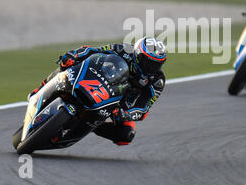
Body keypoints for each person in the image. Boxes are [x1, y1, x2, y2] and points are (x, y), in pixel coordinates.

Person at [29, 37, 167, 146]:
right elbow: (93, 51)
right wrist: (74, 55)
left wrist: (126, 114)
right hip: (101, 81)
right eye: (149, 62)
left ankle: (92, 126)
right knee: (68, 64)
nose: (152, 68)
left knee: (126, 135)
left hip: (119, 104)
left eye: (157, 64)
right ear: (138, 55)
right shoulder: (123, 49)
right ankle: (40, 89)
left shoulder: (157, 81)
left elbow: (143, 109)